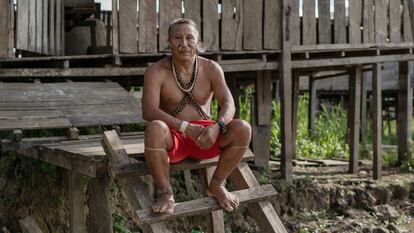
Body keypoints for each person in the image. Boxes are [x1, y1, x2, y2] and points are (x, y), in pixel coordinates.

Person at [142, 18, 251, 214]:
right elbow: (149, 111)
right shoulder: (156, 71)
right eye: (177, 38)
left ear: (199, 42)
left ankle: (217, 184)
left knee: (243, 128)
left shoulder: (211, 68)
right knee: (154, 128)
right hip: (174, 138)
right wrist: (185, 127)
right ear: (168, 42)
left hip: (207, 138)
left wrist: (217, 127)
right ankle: (166, 193)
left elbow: (229, 103)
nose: (184, 44)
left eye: (189, 38)